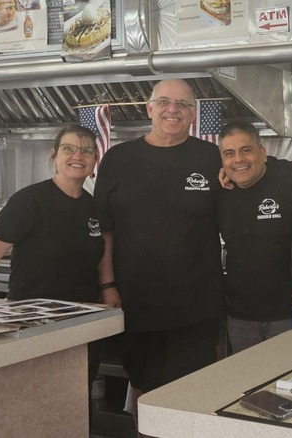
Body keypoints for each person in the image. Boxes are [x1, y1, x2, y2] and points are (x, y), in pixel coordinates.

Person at [0, 124, 116, 384]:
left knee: (77, 401)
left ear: (95, 160)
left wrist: (109, 287)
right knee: (31, 400)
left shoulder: (93, 206)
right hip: (32, 321)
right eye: (69, 149)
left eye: (86, 151)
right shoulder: (30, 201)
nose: (78, 156)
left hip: (81, 320)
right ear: (54, 156)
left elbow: (103, 249)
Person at [93, 80, 224, 405]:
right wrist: (107, 284)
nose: (173, 109)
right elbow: (104, 231)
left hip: (197, 305)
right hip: (138, 302)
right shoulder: (118, 159)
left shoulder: (211, 156)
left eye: (182, 104)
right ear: (149, 108)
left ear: (193, 113)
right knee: (143, 388)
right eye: (164, 101)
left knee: (194, 390)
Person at [217, 121, 292, 353]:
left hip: (288, 314)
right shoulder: (220, 192)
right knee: (246, 385)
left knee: (287, 382)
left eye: (246, 150)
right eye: (229, 154)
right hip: (240, 318)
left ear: (262, 153)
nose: (238, 159)